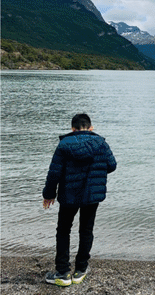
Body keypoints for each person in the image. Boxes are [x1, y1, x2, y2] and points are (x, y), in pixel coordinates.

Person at [42, 114, 117, 287]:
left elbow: (54, 173)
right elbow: (112, 166)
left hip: (69, 194)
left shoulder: (64, 145)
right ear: (91, 128)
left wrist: (48, 194)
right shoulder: (101, 144)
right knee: (86, 230)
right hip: (92, 195)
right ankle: (80, 270)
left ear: (72, 129)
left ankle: (62, 273)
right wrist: (94, 171)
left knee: (63, 231)